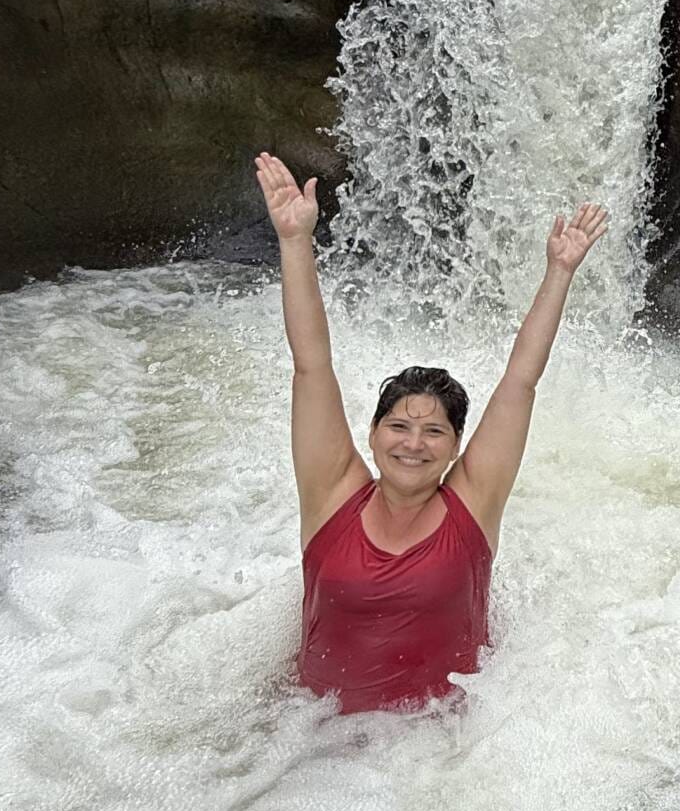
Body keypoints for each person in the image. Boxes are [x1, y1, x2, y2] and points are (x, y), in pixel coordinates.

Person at [254, 151, 608, 713]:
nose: (413, 444)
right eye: (398, 426)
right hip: (311, 736)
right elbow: (311, 364)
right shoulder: (331, 492)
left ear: (455, 448)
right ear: (371, 435)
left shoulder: (474, 502)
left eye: (433, 433)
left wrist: (559, 273)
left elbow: (521, 381)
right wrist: (295, 241)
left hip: (434, 755)